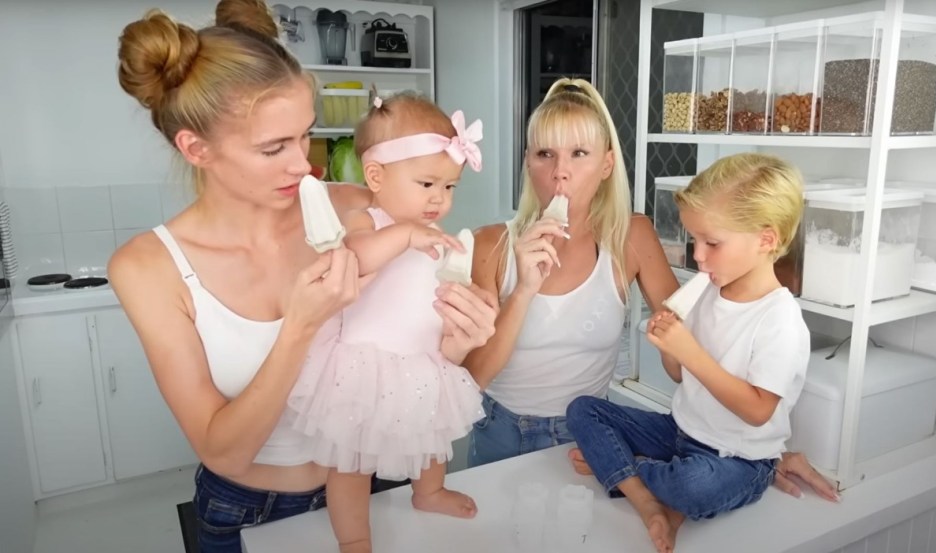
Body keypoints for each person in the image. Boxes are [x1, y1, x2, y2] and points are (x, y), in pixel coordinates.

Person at [109, 3, 496, 552]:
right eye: (274, 148)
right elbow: (224, 451)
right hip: (249, 510)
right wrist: (299, 327)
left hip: (376, 482)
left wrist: (456, 343)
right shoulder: (148, 267)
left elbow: (407, 331)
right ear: (197, 148)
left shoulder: (357, 205)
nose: (304, 164)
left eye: (304, 135)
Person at [463, 78, 840, 500]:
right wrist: (523, 291)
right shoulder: (489, 245)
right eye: (544, 153)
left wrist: (760, 458)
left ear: (606, 165)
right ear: (528, 161)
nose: (560, 171)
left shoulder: (633, 237)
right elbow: (472, 378)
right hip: (496, 431)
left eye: (579, 153)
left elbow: (684, 362)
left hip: (582, 442)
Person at [566, 153, 813, 553]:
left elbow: (758, 410)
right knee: (583, 410)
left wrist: (690, 351)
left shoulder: (779, 319)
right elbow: (680, 375)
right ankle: (648, 497)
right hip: (681, 431)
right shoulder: (708, 294)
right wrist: (669, 344)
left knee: (692, 487)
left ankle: (625, 472)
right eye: (694, 240)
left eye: (712, 243)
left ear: (766, 240)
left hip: (739, 459)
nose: (698, 255)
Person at [286, 94, 488, 550]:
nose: (439, 198)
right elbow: (354, 258)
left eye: (450, 187)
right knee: (351, 462)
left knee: (431, 438)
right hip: (362, 366)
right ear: (376, 176)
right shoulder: (368, 220)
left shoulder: (436, 236)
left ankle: (428, 491)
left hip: (423, 358)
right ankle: (354, 537)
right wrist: (406, 234)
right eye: (427, 183)